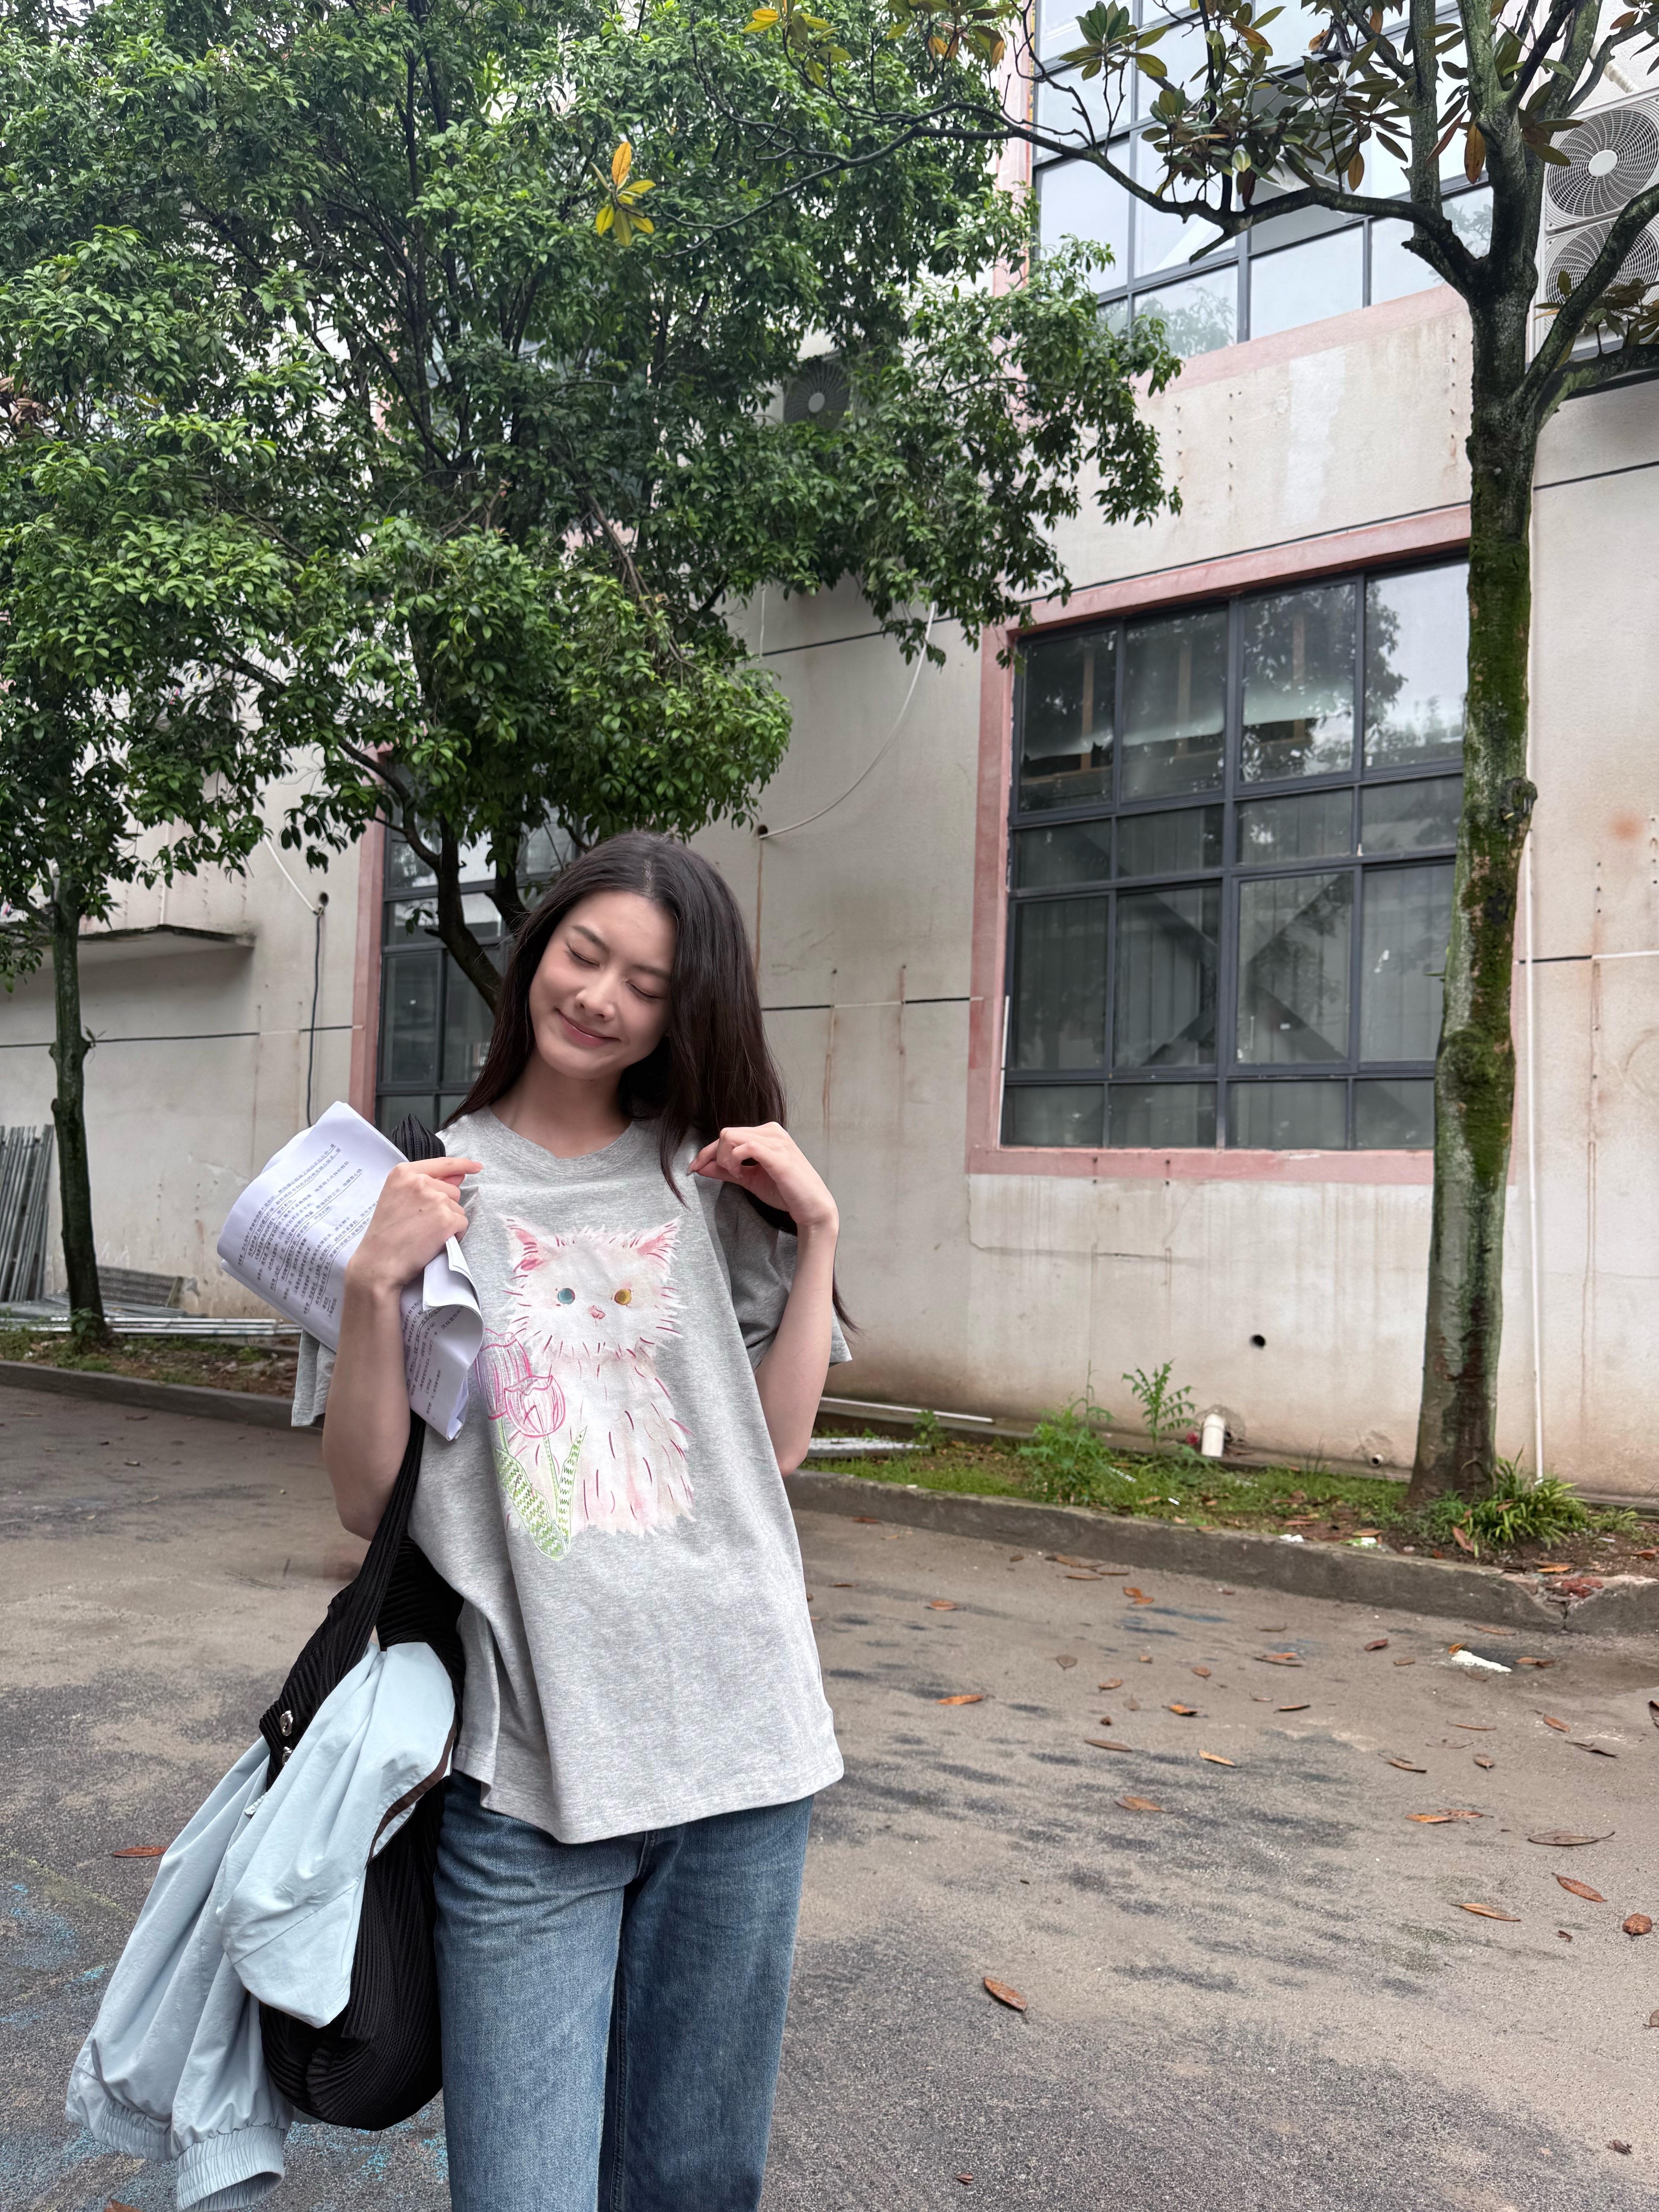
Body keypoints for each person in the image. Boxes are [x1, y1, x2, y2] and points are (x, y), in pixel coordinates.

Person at [294, 831, 848, 2212]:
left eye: (646, 984)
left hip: (743, 1744)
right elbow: (365, 1496)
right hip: (534, 1775)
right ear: (535, 950)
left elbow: (776, 1446)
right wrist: (371, 1284)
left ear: (683, 1011)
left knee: (691, 2181)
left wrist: (818, 1233)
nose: (601, 998)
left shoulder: (710, 1178)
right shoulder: (419, 1189)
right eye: (584, 955)